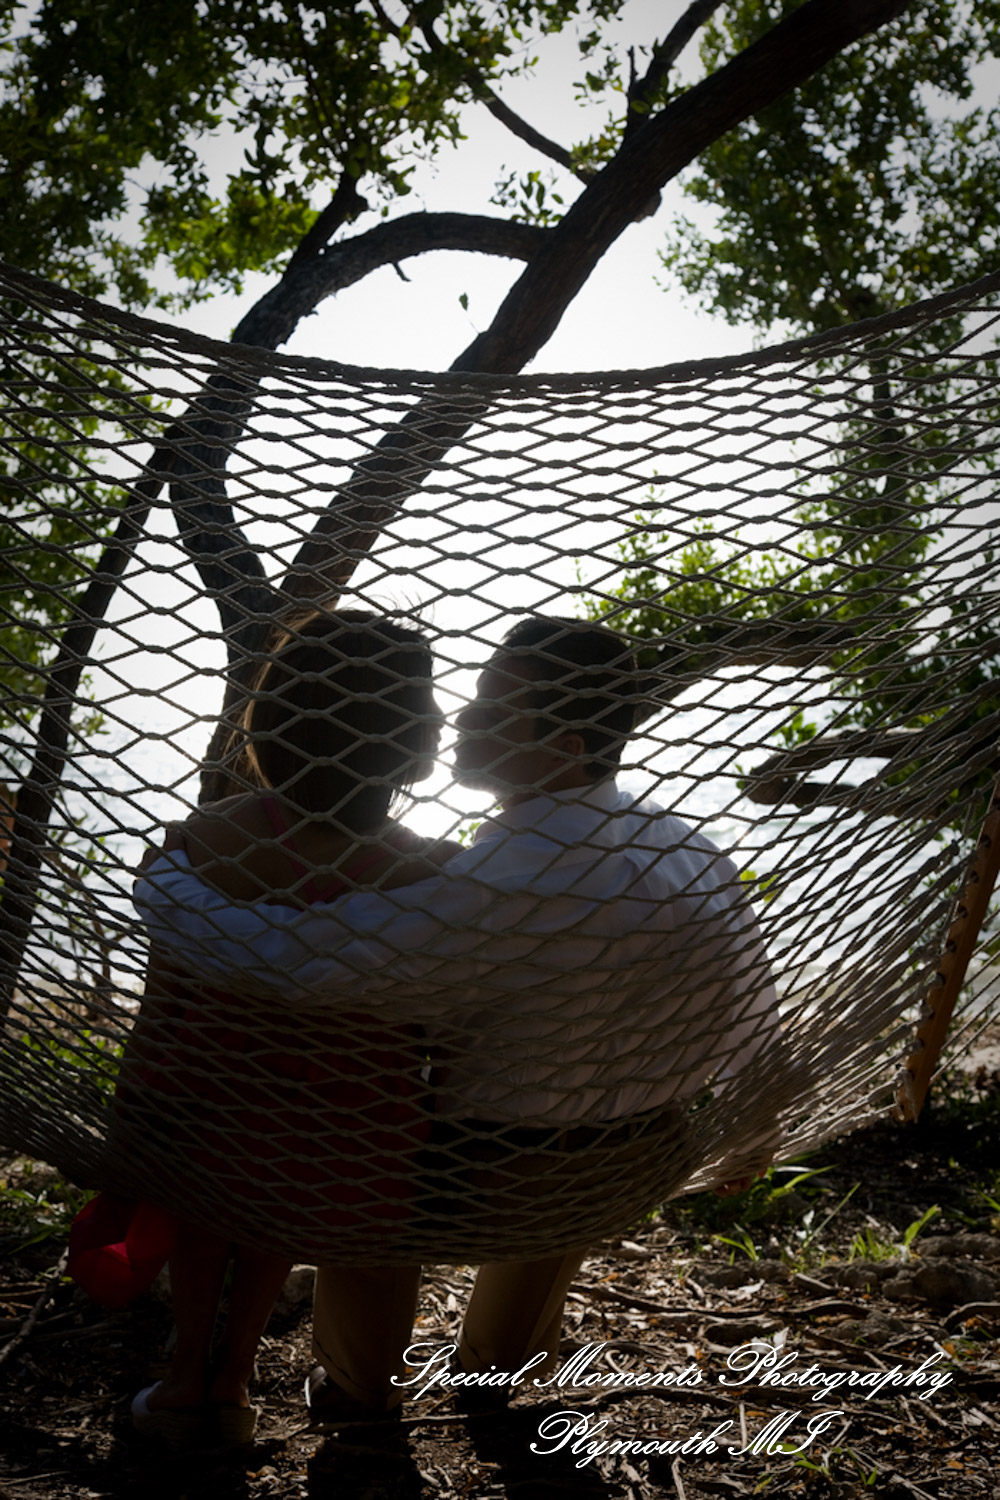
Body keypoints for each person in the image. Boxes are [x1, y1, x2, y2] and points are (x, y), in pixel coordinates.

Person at [135, 616, 780, 1424]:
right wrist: (754, 1137)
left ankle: (359, 1384)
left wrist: (167, 892)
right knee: (568, 1165)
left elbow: (303, 965)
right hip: (640, 1164)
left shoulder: (501, 880)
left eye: (491, 707)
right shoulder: (684, 844)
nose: (460, 721)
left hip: (494, 1175)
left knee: (365, 1159)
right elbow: (758, 1021)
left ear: (569, 744)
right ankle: (496, 1366)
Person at [118, 608, 460, 1446]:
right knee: (273, 1212)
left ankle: (186, 1377)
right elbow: (446, 1017)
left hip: (213, 1106)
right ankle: (234, 1382)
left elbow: (165, 995)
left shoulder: (212, 840)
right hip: (346, 1132)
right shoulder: (434, 869)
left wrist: (135, 1100)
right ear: (411, 737)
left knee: (212, 1205)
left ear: (274, 718)